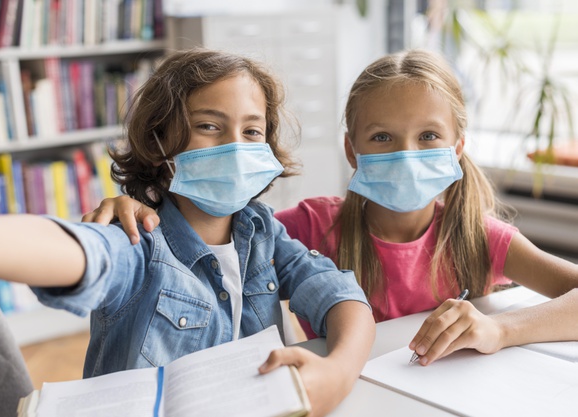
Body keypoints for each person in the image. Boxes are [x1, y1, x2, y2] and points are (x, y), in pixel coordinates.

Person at [85, 48, 578, 367]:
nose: (405, 154)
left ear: (458, 148)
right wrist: (138, 202)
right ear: (351, 150)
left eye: (428, 137)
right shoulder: (314, 226)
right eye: (382, 137)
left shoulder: (480, 236)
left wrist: (499, 329)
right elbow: (206, 244)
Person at [0, 49, 376, 417]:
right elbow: (84, 254)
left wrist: (339, 371)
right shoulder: (140, 238)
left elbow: (338, 293)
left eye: (251, 131)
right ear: (159, 142)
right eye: (209, 126)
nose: (235, 145)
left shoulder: (263, 231)